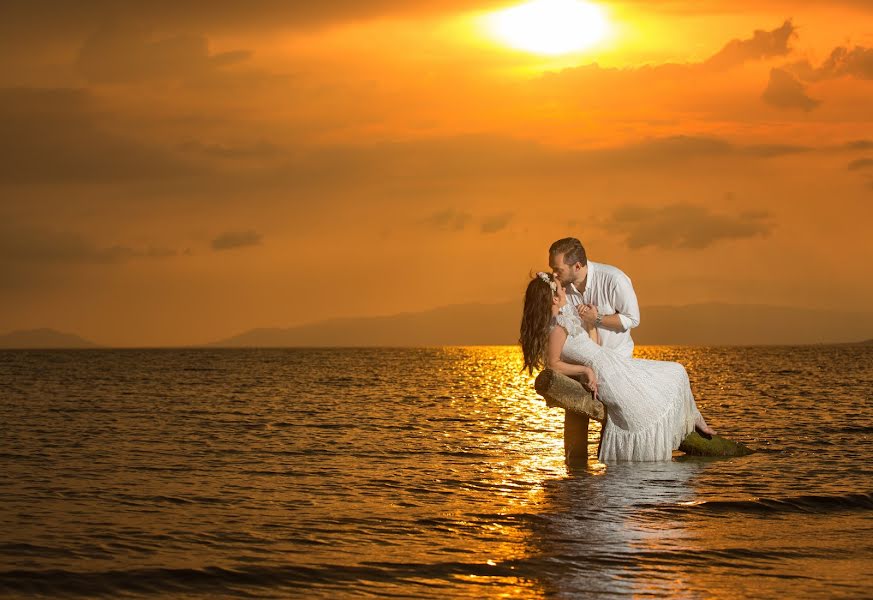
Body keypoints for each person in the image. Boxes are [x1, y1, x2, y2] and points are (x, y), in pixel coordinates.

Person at [520, 271, 716, 463]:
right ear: (554, 299)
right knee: (647, 404)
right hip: (605, 371)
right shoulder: (557, 326)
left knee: (675, 371)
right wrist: (585, 370)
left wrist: (590, 324)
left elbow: (591, 348)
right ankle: (692, 425)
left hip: (610, 361)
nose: (565, 291)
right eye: (561, 290)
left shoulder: (562, 321)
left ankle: (694, 420)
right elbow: (553, 364)